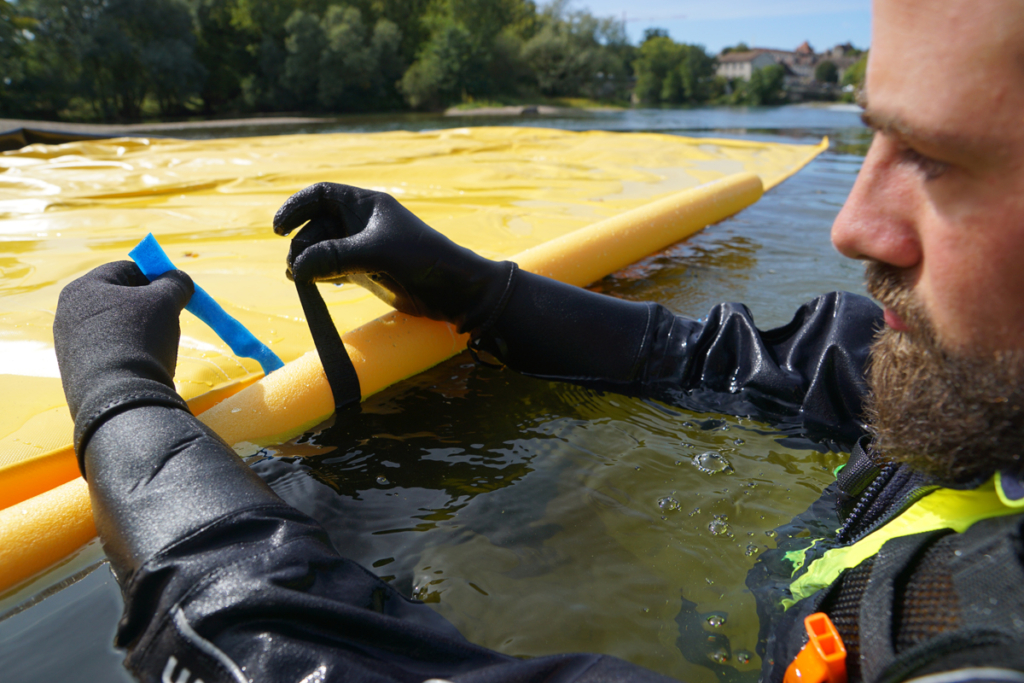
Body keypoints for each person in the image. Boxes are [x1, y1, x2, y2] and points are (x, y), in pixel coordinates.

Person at [51, 1, 1024, 681]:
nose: (853, 225)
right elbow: (729, 362)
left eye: (934, 161)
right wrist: (483, 292)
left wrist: (125, 410)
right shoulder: (978, 376)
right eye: (874, 144)